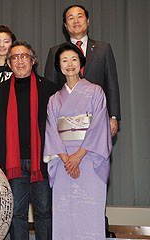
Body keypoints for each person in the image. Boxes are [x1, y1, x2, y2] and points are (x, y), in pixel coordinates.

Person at [0, 40, 57, 240]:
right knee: (16, 215)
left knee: (44, 213)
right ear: (9, 63)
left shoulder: (49, 89)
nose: (20, 61)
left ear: (33, 61)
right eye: (15, 57)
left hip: (42, 162)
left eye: (24, 56)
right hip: (13, 163)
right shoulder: (1, 91)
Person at [43, 43, 112, 239]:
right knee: (65, 211)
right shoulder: (54, 99)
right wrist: (66, 159)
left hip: (89, 158)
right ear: (59, 66)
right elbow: (51, 131)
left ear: (81, 63)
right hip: (63, 160)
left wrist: (78, 156)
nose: (69, 64)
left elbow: (99, 126)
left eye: (74, 59)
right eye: (64, 60)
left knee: (89, 210)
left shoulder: (96, 92)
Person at [44, 4, 120, 137]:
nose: (76, 21)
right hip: (66, 120)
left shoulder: (103, 49)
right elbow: (50, 87)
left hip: (98, 116)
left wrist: (113, 116)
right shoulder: (55, 52)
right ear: (65, 25)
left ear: (88, 21)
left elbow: (111, 83)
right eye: (71, 18)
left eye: (80, 16)